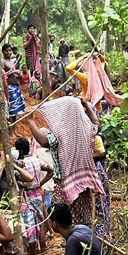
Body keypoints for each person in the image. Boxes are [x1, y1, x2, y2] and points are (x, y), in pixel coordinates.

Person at [25, 97, 103, 227]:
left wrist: (30, 120)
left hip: (66, 182)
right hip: (83, 179)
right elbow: (97, 125)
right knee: (84, 217)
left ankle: (75, 241)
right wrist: (86, 105)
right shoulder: (85, 127)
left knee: (66, 219)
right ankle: (84, 240)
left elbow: (44, 141)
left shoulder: (63, 133)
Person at [15, 138, 53, 255]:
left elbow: (17, 179)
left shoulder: (20, 164)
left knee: (29, 225)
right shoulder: (36, 160)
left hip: (26, 195)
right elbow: (50, 170)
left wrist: (24, 185)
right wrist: (40, 183)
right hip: (37, 193)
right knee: (41, 223)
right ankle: (43, 253)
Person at [1, 44, 26, 122]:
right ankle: (11, 131)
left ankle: (14, 130)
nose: (8, 52)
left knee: (15, 110)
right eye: (6, 51)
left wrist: (18, 74)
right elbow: (1, 75)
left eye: (9, 50)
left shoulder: (12, 61)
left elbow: (13, 74)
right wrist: (13, 72)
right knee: (10, 110)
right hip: (8, 86)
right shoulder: (2, 61)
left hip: (15, 86)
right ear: (3, 52)